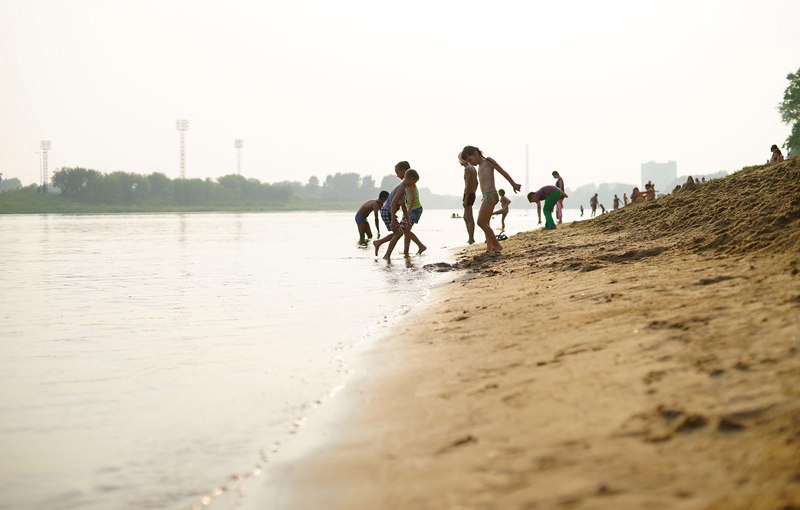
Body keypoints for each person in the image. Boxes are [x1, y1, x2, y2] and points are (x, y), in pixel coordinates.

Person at [460, 146, 521, 253]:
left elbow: (502, 171)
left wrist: (513, 184)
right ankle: (490, 247)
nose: (470, 163)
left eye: (470, 160)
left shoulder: (488, 161)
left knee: (480, 222)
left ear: (475, 153)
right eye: (468, 162)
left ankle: (497, 245)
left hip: (491, 194)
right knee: (486, 222)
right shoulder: (479, 167)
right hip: (486, 196)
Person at [373, 162, 424, 257]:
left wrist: (408, 221)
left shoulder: (404, 188)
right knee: (398, 234)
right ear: (412, 179)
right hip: (387, 212)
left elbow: (403, 205)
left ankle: (381, 246)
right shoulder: (401, 188)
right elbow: (392, 204)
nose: (414, 185)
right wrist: (393, 220)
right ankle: (386, 254)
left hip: (389, 212)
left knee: (399, 233)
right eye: (414, 182)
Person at [401, 179, 427, 256]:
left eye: (398, 172)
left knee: (405, 229)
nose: (397, 175)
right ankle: (406, 252)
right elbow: (406, 201)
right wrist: (404, 213)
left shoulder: (411, 183)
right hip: (411, 210)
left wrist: (407, 213)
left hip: (414, 209)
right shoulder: (404, 185)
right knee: (406, 230)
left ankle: (421, 246)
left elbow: (412, 199)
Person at [458, 152, 479, 244]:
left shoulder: (467, 169)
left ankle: (471, 238)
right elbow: (476, 183)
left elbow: (468, 184)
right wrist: (473, 192)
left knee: (469, 217)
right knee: (466, 217)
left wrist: (466, 197)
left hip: (468, 194)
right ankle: (470, 237)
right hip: (472, 193)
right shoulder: (473, 168)